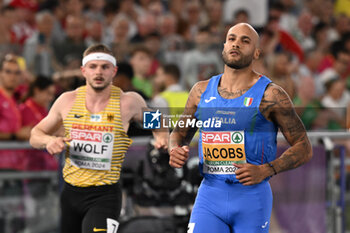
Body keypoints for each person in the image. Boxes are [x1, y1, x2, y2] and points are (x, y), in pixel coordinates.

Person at [169, 23, 313, 233]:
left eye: (245, 41)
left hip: (251, 197)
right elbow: (179, 133)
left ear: (256, 53)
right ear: (224, 46)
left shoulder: (271, 95)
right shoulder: (200, 91)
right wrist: (174, 148)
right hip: (210, 194)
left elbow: (304, 147)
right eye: (232, 38)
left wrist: (267, 169)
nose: (236, 44)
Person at [29, 44, 168, 233]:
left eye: (105, 67)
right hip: (71, 193)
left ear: (114, 71)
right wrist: (49, 141)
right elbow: (35, 134)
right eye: (93, 67)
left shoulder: (128, 103)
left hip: (105, 195)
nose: (99, 72)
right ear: (83, 71)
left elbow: (158, 123)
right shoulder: (66, 101)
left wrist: (161, 139)